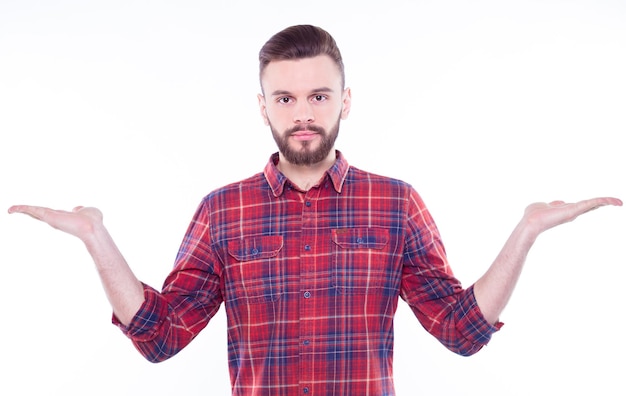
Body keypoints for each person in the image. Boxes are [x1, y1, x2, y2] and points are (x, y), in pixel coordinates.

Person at [8, 24, 621, 396]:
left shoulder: (395, 203)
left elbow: (461, 332)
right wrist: (95, 237)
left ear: (345, 101)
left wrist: (528, 230)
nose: (303, 112)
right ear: (264, 106)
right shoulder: (223, 212)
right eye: (286, 96)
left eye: (319, 95)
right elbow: (161, 337)